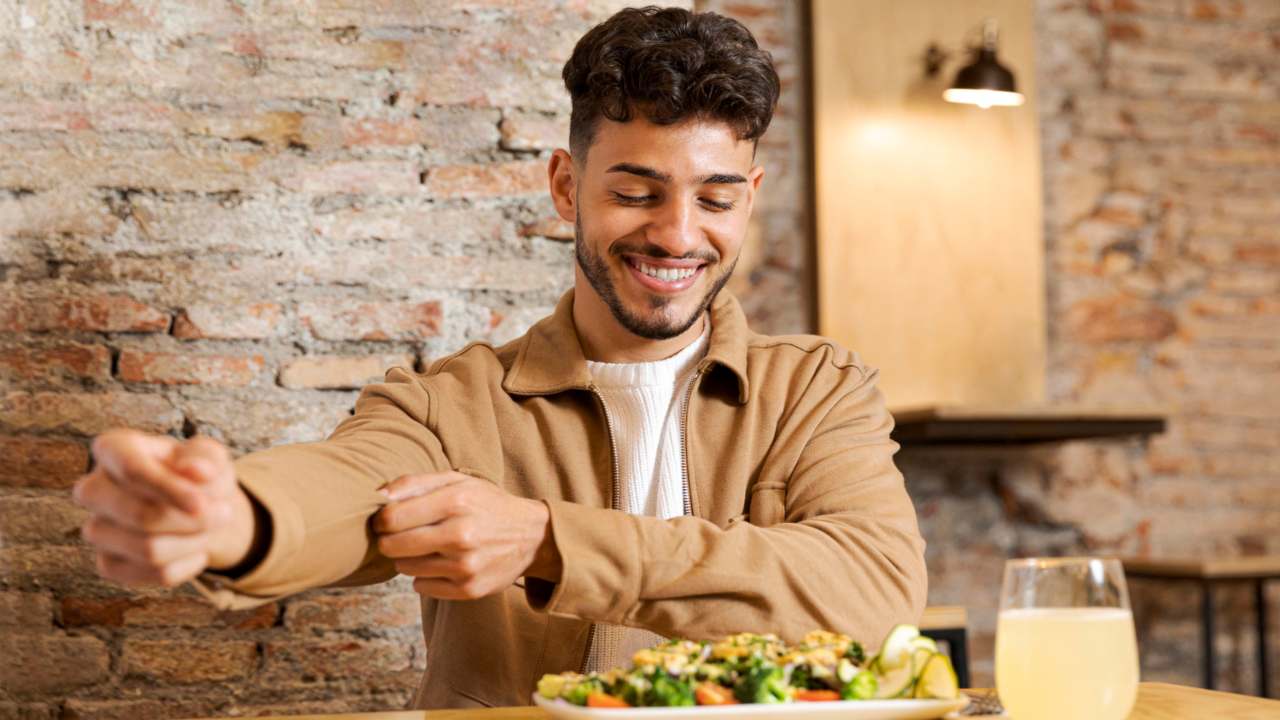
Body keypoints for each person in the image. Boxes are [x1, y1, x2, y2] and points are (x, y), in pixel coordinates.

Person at [73, 6, 927, 709]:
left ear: (752, 199)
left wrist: (553, 542)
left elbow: (875, 595)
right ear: (565, 186)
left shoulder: (816, 389)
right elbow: (339, 494)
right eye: (634, 192)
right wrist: (232, 522)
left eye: (715, 198)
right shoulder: (451, 404)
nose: (676, 233)